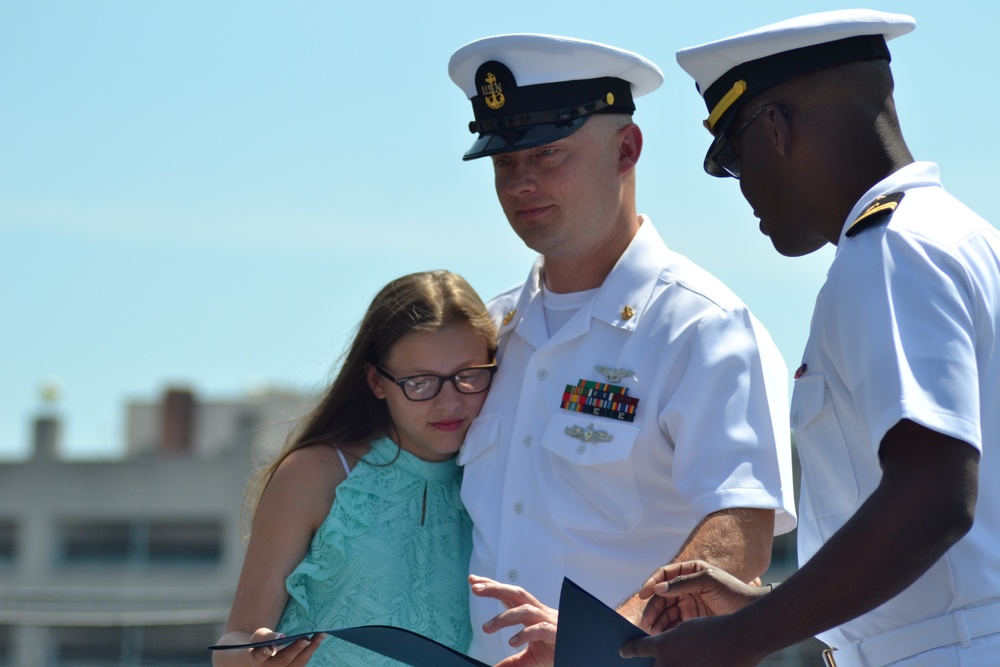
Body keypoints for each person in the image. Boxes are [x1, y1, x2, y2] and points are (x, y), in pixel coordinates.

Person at [620, 10, 1000, 667]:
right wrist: (765, 607)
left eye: (735, 159)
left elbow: (934, 497)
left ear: (777, 127)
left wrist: (744, 636)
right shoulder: (958, 236)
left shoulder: (890, 252)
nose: (744, 193)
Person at [447, 34, 797, 665]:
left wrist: (606, 638)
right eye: (504, 163)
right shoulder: (487, 333)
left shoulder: (702, 328)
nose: (522, 182)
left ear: (627, 151)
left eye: (548, 154)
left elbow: (740, 530)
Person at [212, 270, 498, 666]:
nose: (449, 402)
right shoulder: (316, 474)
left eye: (467, 376)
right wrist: (254, 656)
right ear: (376, 381)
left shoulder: (503, 475)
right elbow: (234, 642)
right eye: (419, 382)